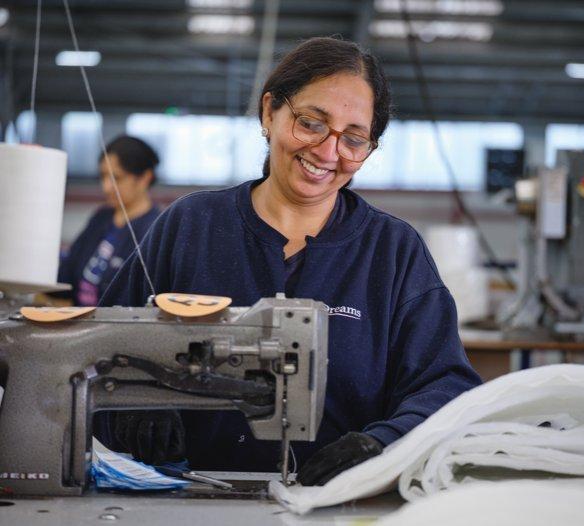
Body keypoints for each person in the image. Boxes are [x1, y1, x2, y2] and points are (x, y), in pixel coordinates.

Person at [101, 37, 481, 485]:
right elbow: (103, 352)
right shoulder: (190, 227)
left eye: (354, 139)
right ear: (269, 112)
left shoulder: (393, 252)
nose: (326, 152)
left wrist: (383, 443)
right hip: (189, 498)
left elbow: (445, 387)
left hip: (341, 504)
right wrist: (130, 411)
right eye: (311, 122)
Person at [56, 135, 160, 306]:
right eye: (103, 177)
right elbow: (68, 271)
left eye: (116, 178)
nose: (106, 186)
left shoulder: (154, 230)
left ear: (144, 178)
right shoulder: (101, 218)